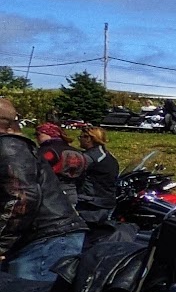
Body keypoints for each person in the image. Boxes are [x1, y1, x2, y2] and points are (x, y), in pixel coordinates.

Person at [0, 97, 87, 281]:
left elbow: (21, 199)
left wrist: (1, 244)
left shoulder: (8, 145)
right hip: (45, 238)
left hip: (46, 240)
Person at [73, 126, 120, 223]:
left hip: (92, 204)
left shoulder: (90, 158)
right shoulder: (106, 154)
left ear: (89, 138)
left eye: (81, 137)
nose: (79, 139)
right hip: (106, 201)